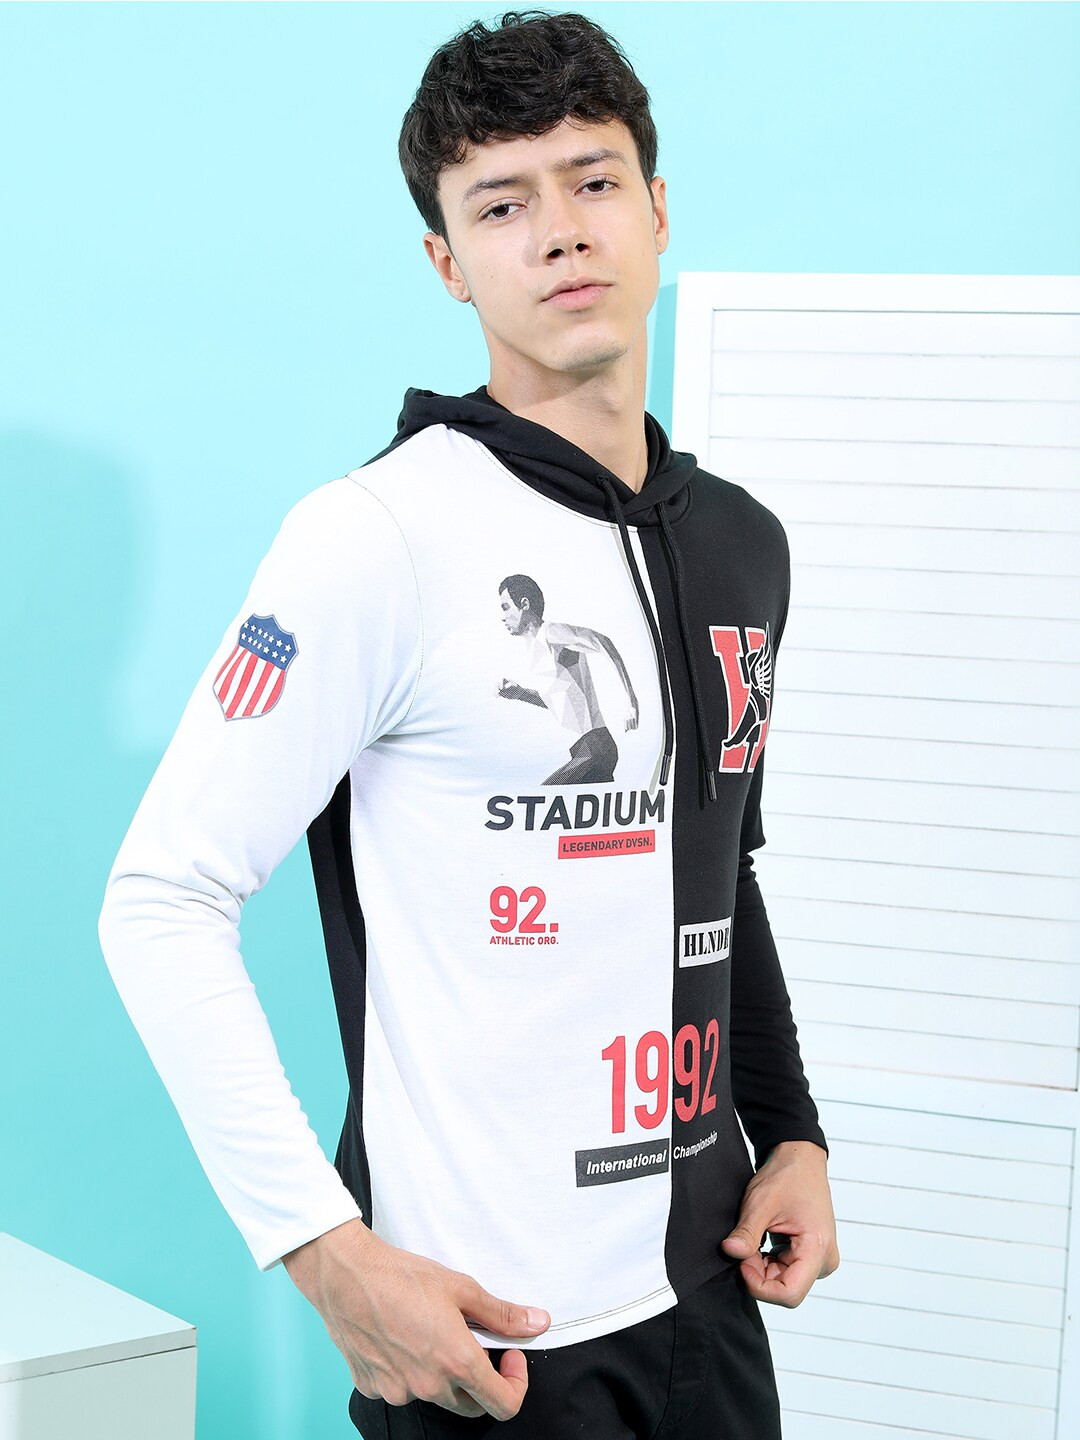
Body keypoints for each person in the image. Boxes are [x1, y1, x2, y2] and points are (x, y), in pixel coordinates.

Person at [98, 9, 840, 1437]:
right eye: (502, 205)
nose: (560, 232)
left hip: (710, 1301)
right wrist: (322, 1249)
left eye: (593, 181)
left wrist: (791, 1127)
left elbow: (717, 868)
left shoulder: (744, 543)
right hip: (488, 1342)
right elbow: (161, 896)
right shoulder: (374, 536)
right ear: (446, 261)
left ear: (657, 208)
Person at [496, 572, 639, 783]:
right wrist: (520, 693)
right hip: (588, 750)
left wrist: (631, 703)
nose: (502, 616)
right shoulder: (536, 649)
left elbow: (602, 641)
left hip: (594, 748)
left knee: (545, 797)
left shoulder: (550, 632)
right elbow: (560, 702)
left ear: (524, 604)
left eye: (506, 607)